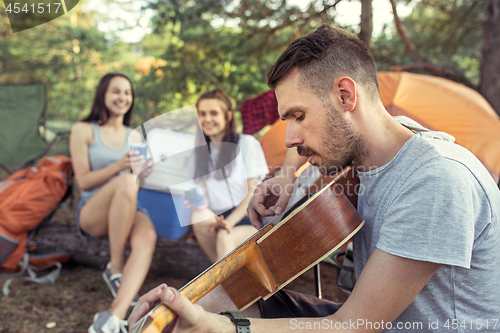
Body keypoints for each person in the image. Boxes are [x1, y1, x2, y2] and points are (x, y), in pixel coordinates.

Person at [128, 25, 500, 332]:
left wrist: (220, 328)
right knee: (211, 301)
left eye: (298, 116)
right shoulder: (383, 147)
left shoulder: (434, 178)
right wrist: (286, 175)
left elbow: (353, 325)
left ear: (344, 95)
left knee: (214, 321)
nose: (288, 137)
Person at [70, 73, 157, 333]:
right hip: (92, 209)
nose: (123, 97)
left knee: (148, 235)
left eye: (127, 93)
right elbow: (83, 181)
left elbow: (135, 184)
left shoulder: (135, 135)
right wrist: (120, 167)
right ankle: (115, 266)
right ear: (103, 95)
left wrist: (143, 174)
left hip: (127, 205)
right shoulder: (84, 130)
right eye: (116, 92)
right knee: (126, 182)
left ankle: (113, 318)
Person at [188, 89, 269, 263]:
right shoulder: (198, 154)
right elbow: (204, 200)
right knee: (198, 214)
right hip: (218, 220)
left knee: (225, 236)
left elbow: (252, 193)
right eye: (202, 114)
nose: (207, 119)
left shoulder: (247, 144)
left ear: (228, 116)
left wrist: (230, 222)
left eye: (213, 113)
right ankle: (220, 279)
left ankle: (223, 285)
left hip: (248, 220)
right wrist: (194, 200)